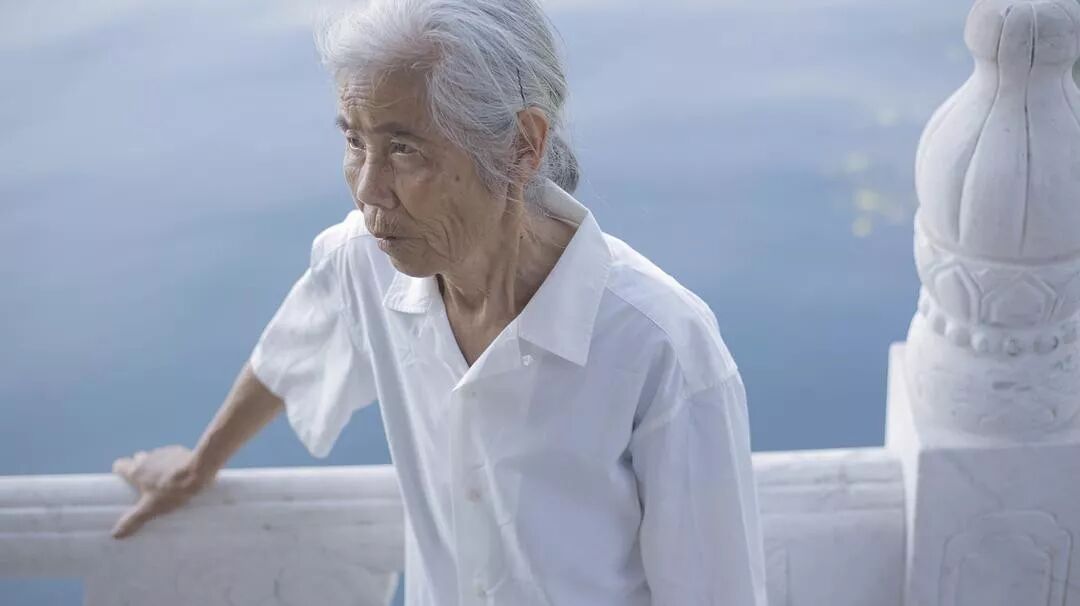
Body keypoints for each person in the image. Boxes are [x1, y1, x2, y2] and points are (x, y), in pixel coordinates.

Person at [110, 0, 767, 603]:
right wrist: (200, 464)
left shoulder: (660, 344)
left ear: (522, 146)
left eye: (404, 149)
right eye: (354, 141)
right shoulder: (364, 260)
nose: (368, 189)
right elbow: (288, 356)